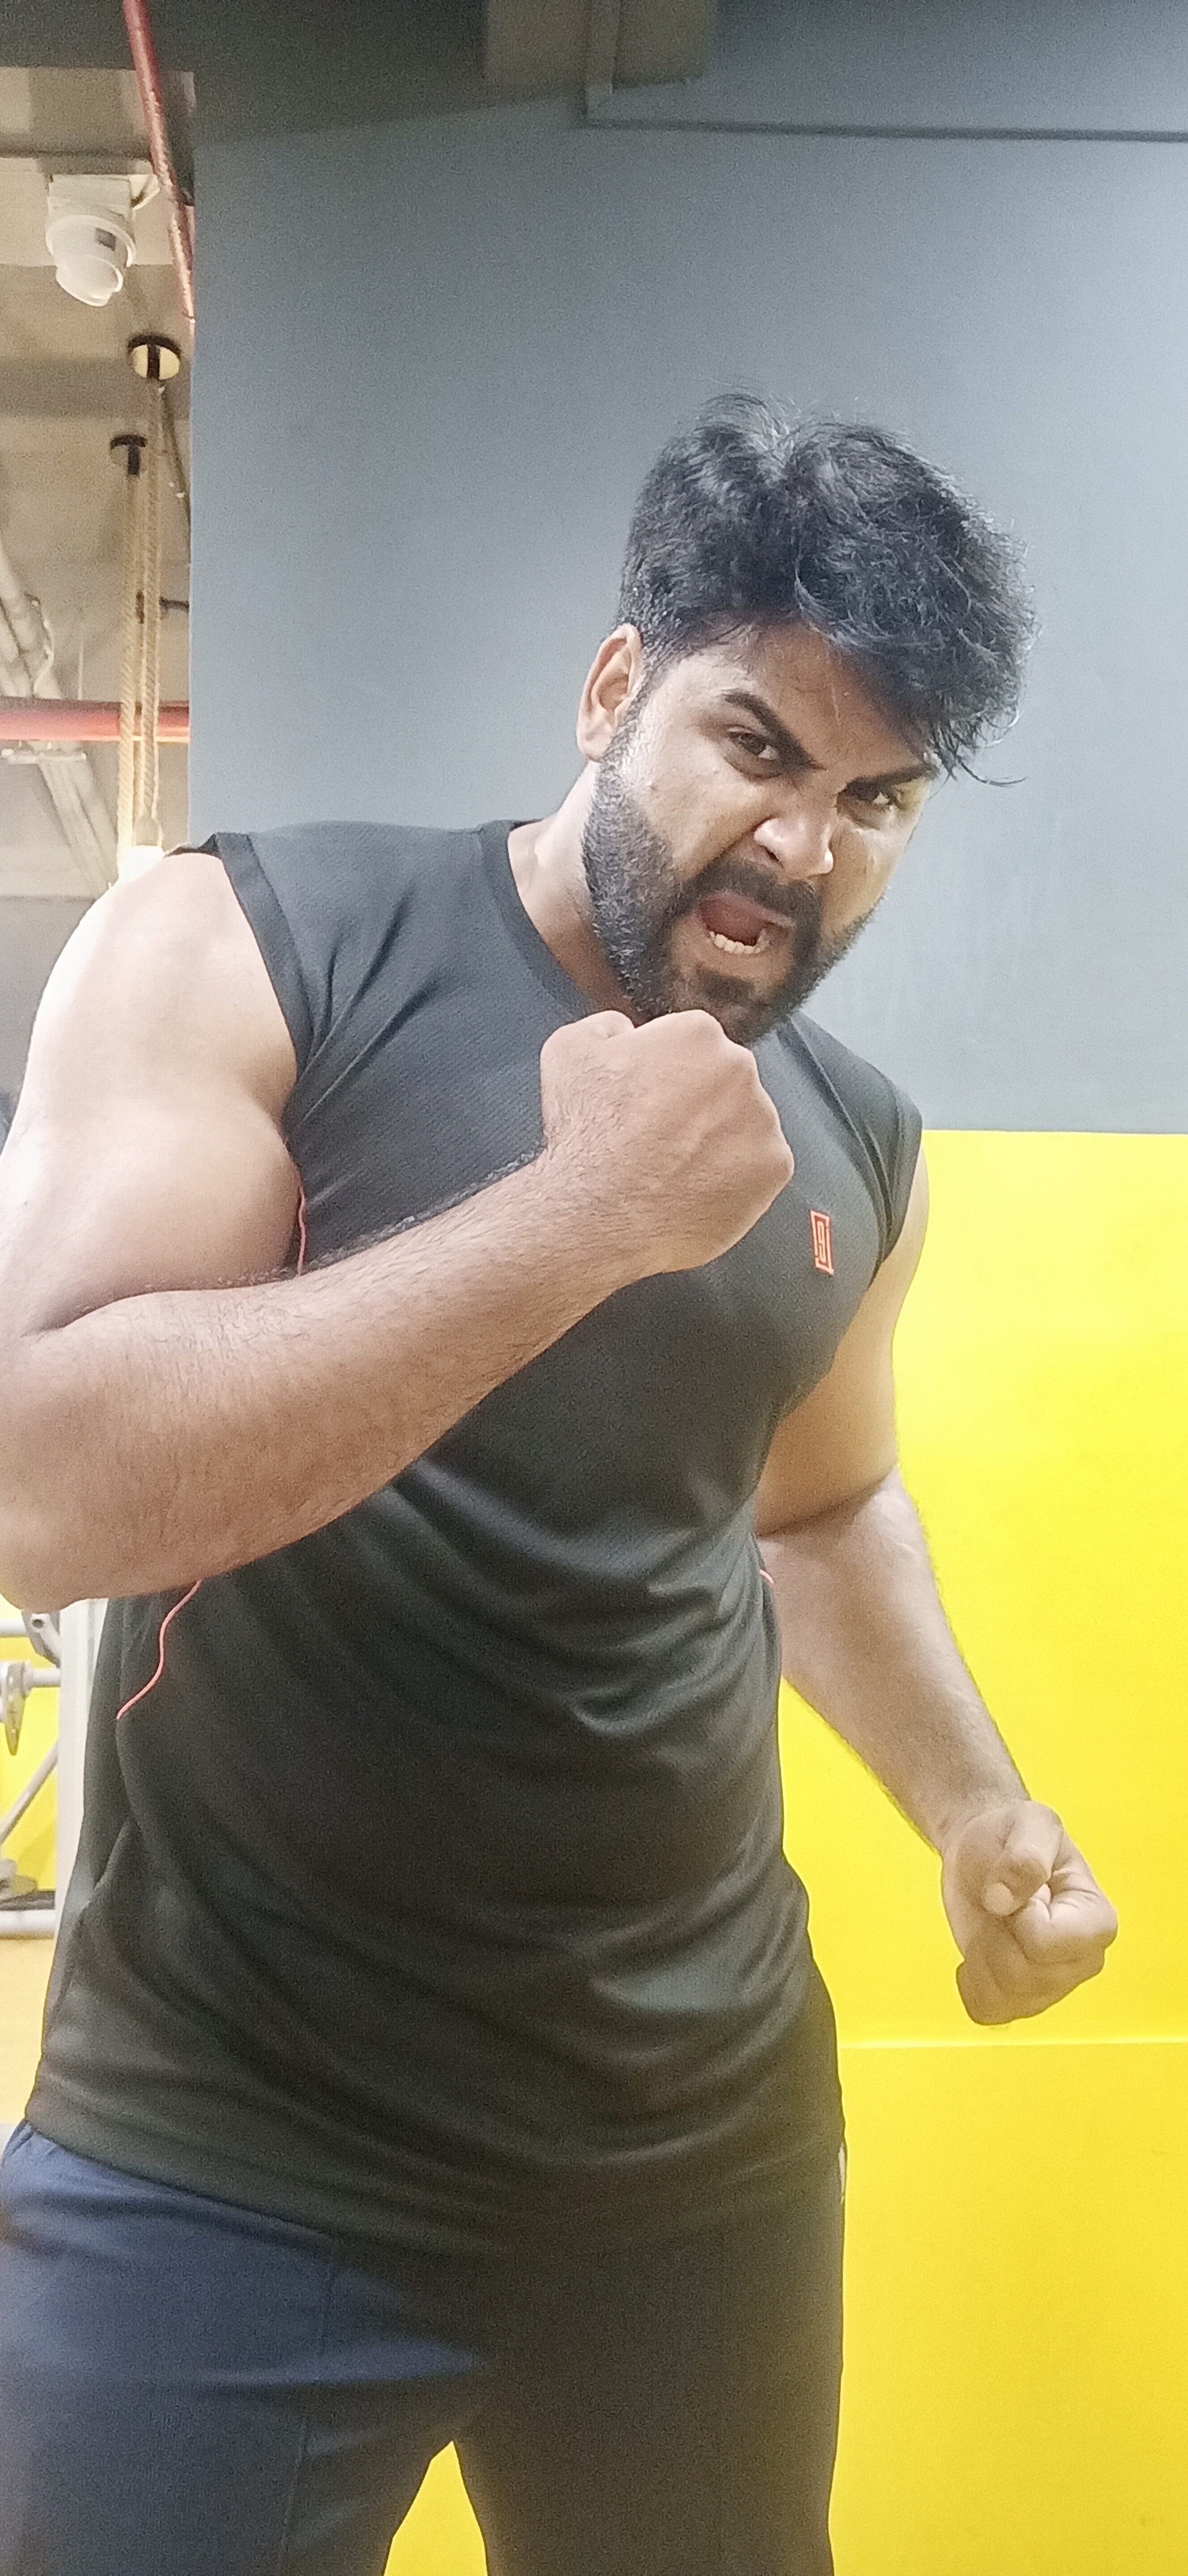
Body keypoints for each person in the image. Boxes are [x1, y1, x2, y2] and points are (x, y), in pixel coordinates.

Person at [0, 399, 1116, 2576]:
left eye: (874, 801)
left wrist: (973, 1807)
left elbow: (814, 1512)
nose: (803, 846)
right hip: (225, 2166)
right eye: (758, 747)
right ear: (614, 690)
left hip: (696, 2165)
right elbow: (39, 1486)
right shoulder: (260, 945)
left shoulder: (854, 1138)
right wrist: (571, 1223)